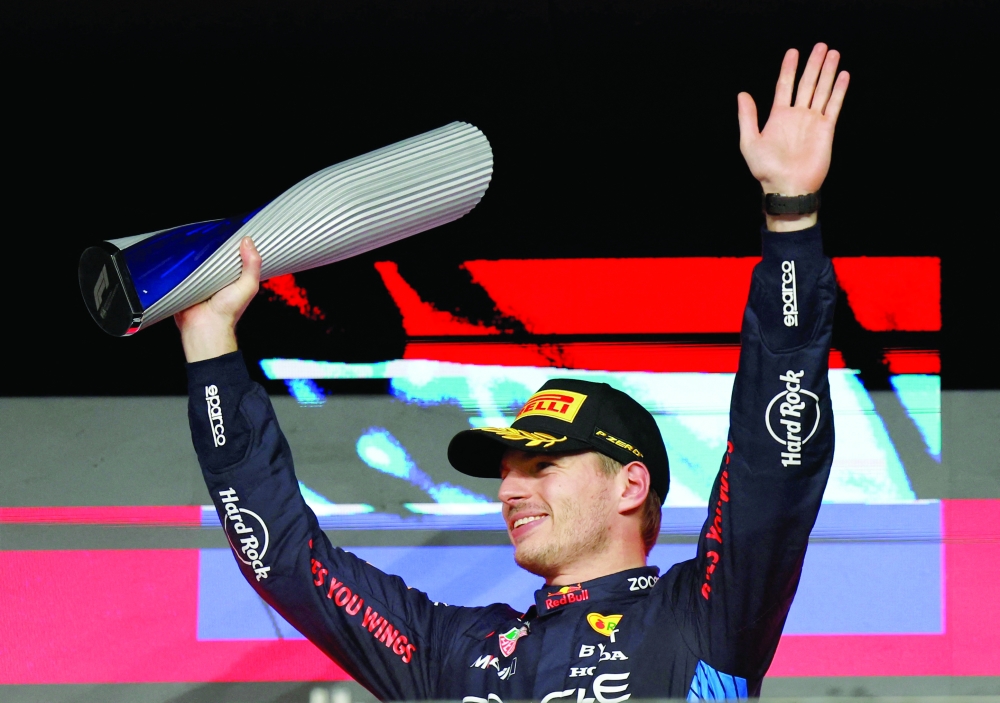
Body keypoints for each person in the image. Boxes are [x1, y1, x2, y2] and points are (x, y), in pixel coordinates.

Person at [177, 43, 849, 701]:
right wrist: (211, 346)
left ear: (629, 484)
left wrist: (790, 215)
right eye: (506, 473)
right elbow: (287, 562)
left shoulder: (705, 617)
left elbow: (775, 457)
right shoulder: (452, 653)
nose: (509, 491)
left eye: (540, 465)